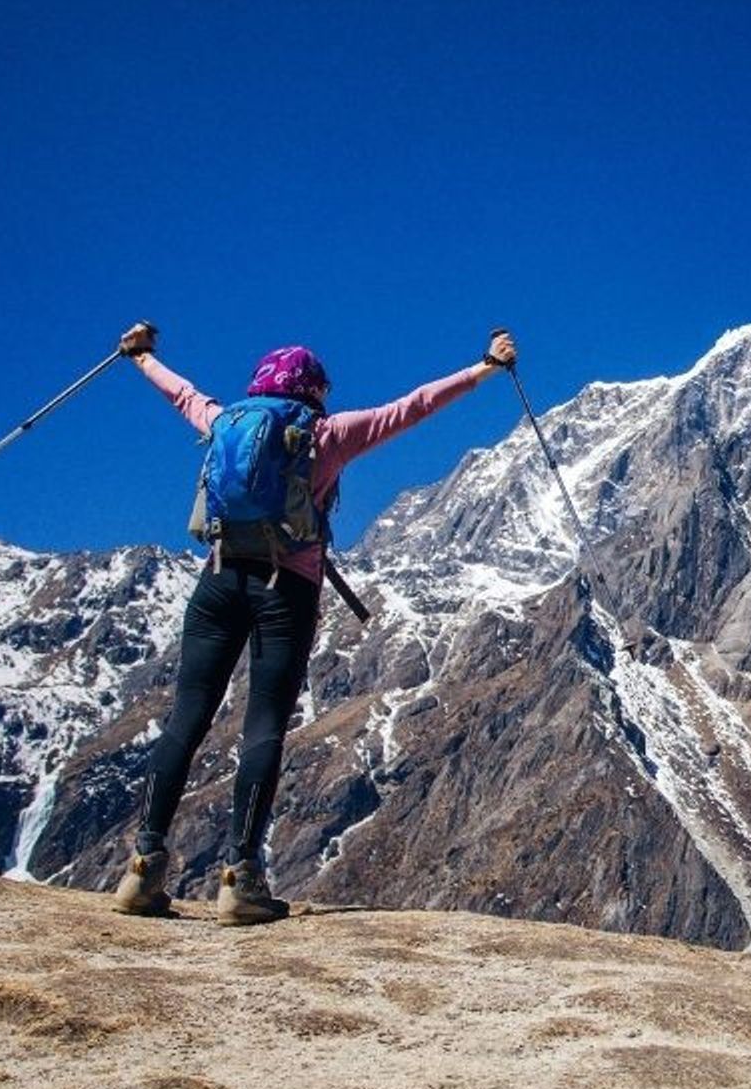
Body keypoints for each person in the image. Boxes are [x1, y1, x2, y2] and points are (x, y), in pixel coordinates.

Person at [108, 321, 517, 924]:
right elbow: (413, 408)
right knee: (264, 727)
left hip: (218, 581)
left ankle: (143, 866)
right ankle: (240, 878)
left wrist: (142, 358)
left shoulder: (223, 421)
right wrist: (484, 367)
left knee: (186, 718)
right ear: (313, 392)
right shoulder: (328, 434)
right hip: (286, 590)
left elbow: (182, 393)